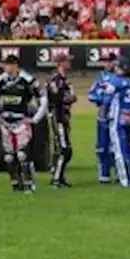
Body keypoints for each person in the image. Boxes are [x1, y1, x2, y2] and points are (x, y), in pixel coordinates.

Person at [0, 53, 48, 192]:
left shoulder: (26, 79)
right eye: (5, 65)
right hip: (6, 122)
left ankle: (29, 183)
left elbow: (43, 98)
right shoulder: (0, 80)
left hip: (21, 121)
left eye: (9, 64)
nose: (6, 68)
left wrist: (35, 118)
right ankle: (15, 183)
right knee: (9, 156)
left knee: (22, 154)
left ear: (15, 65)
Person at [87, 53, 120, 184]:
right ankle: (104, 174)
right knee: (102, 146)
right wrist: (101, 100)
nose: (105, 64)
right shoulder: (100, 77)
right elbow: (91, 94)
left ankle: (119, 172)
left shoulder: (120, 77)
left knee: (116, 145)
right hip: (102, 116)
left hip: (116, 115)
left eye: (108, 61)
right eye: (104, 61)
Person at [46, 55, 77, 188]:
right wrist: (69, 98)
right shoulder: (55, 80)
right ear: (60, 63)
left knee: (65, 149)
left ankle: (60, 175)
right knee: (64, 149)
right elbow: (56, 98)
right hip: (58, 117)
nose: (69, 63)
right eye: (66, 61)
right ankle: (56, 179)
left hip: (64, 116)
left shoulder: (65, 80)